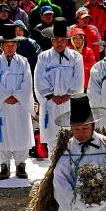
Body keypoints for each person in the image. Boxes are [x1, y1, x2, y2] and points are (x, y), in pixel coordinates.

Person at [0, 24, 34, 180]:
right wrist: (5, 97)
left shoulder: (24, 62)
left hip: (19, 105)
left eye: (13, 44)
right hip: (2, 105)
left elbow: (27, 83)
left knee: (21, 132)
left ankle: (21, 164)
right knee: (3, 133)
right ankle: (4, 165)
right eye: (7, 45)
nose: (10, 48)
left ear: (17, 45)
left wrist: (18, 97)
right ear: (2, 46)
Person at [35, 18, 84, 153]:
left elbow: (78, 79)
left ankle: (69, 169)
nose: (59, 42)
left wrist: (69, 95)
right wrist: (51, 96)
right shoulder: (43, 57)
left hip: (69, 104)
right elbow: (39, 79)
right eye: (56, 39)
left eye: (62, 39)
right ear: (51, 40)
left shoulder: (76, 57)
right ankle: (54, 169)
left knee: (70, 138)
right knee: (52, 138)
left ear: (67, 40)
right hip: (51, 103)